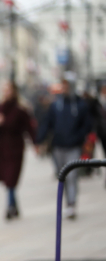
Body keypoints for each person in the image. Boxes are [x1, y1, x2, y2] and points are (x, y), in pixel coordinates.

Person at [36, 79, 91, 219]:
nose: (65, 89)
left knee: (72, 176)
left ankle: (71, 204)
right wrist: (39, 140)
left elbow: (87, 125)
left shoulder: (80, 105)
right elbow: (47, 123)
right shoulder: (56, 105)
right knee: (62, 176)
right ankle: (67, 201)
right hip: (58, 146)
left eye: (67, 86)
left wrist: (80, 138)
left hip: (73, 146)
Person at [0, 81, 36, 219]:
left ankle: (10, 207)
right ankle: (14, 206)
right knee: (7, 180)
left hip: (15, 148)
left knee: (11, 178)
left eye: (8, 90)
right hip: (2, 149)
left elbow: (29, 128)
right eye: (4, 90)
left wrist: (36, 143)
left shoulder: (21, 108)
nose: (5, 92)